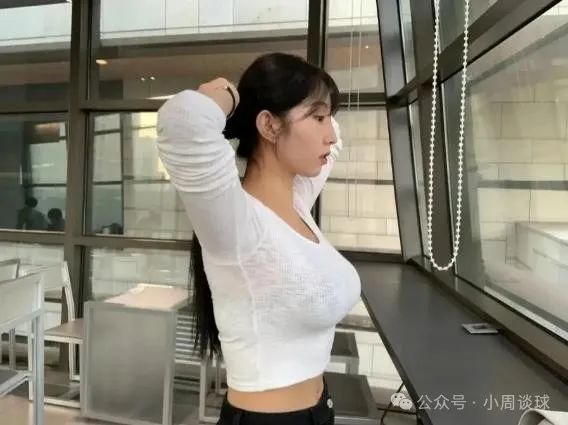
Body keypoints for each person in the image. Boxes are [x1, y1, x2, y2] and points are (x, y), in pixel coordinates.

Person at [156, 53, 361, 425]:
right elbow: (183, 122)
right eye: (318, 118)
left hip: (319, 410)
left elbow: (335, 142)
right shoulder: (237, 223)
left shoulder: (297, 202)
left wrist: (319, 105)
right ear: (268, 124)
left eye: (328, 117)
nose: (330, 133)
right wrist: (230, 94)